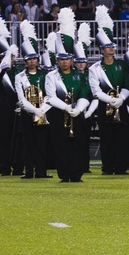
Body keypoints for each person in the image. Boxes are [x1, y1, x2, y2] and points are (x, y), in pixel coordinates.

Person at [88, 7, 129, 174]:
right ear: (101, 49)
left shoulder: (122, 65)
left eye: (112, 45)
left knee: (122, 138)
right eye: (107, 46)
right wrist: (110, 100)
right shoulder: (95, 68)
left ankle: (121, 167)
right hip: (104, 106)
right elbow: (95, 90)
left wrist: (121, 99)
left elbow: (128, 85)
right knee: (106, 138)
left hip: (121, 105)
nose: (111, 48)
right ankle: (107, 167)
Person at [45, 30, 91, 183]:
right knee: (61, 145)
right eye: (61, 59)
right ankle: (64, 175)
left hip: (77, 114)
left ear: (72, 59)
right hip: (58, 114)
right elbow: (50, 96)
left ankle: (76, 174)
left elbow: (85, 93)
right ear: (57, 60)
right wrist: (66, 108)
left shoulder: (79, 75)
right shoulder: (51, 76)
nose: (64, 62)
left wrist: (78, 109)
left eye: (67, 59)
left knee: (77, 145)